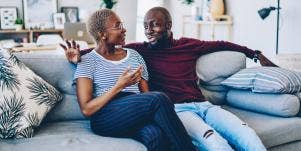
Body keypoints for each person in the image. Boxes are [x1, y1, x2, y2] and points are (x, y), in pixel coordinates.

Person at [61, 7, 276, 151]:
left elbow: (221, 44)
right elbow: (101, 54)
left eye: (154, 25)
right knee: (210, 139)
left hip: (194, 106)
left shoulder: (139, 54)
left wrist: (254, 53)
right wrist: (80, 56)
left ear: (169, 26)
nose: (147, 31)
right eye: (145, 26)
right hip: (158, 111)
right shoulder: (100, 58)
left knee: (245, 135)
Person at [73, 9, 196, 151]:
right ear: (102, 34)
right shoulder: (87, 62)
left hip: (133, 112)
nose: (124, 30)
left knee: (156, 136)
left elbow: (145, 96)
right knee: (158, 98)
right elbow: (87, 109)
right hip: (105, 117)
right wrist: (119, 86)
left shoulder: (134, 55)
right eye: (118, 26)